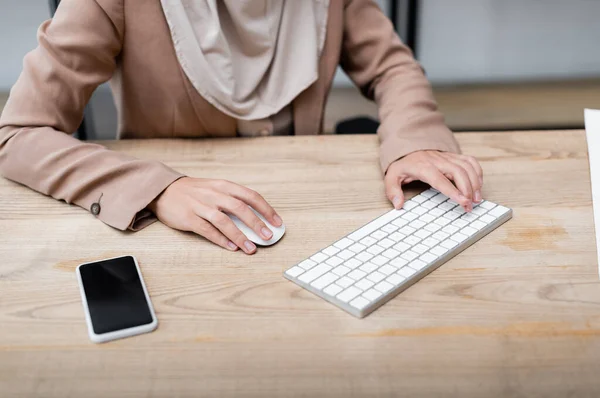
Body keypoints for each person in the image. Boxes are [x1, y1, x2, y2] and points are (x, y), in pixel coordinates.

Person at [0, 0, 483, 255]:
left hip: (306, 214)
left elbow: (391, 68)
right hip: (171, 235)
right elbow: (17, 134)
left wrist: (412, 143)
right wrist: (157, 188)